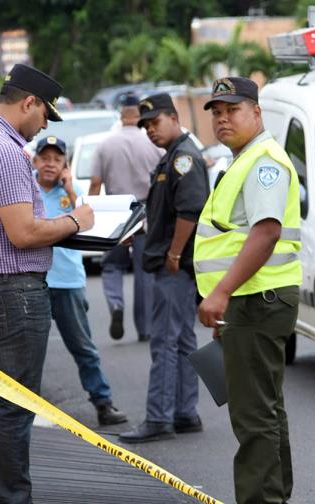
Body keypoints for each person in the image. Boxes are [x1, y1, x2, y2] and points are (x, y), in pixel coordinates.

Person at [0, 63, 93, 503]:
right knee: (16, 408)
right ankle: (14, 498)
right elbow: (23, 233)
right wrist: (75, 221)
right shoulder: (6, 151)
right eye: (44, 117)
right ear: (29, 103)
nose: (42, 129)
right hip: (11, 291)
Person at [194, 77, 302, 504]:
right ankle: (276, 495)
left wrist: (220, 293)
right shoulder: (244, 160)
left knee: (253, 417)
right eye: (217, 112)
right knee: (267, 412)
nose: (223, 119)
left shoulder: (263, 162)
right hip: (252, 300)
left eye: (232, 110)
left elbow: (266, 232)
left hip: (257, 299)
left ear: (256, 113)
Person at [120, 93, 209, 443]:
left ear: (174, 117)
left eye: (155, 123)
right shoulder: (172, 157)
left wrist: (172, 255)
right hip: (175, 266)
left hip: (174, 268)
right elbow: (167, 212)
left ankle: (159, 417)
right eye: (145, 126)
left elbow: (189, 211)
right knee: (183, 340)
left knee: (164, 342)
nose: (150, 131)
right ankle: (185, 413)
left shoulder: (183, 158)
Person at [32, 135, 128, 426]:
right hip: (35, 280)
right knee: (31, 351)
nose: (50, 164)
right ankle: (24, 404)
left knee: (83, 347)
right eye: (45, 158)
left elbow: (92, 226)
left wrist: (71, 189)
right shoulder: (25, 188)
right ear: (35, 161)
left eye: (57, 159)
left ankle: (103, 402)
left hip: (68, 281)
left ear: (65, 165)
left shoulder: (75, 192)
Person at [89, 94, 161, 342]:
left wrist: (94, 219)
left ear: (121, 116)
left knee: (111, 265)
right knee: (145, 272)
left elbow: (96, 184)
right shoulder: (153, 145)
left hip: (115, 212)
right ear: (139, 117)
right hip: (145, 213)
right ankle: (145, 328)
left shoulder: (105, 145)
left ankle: (116, 304)